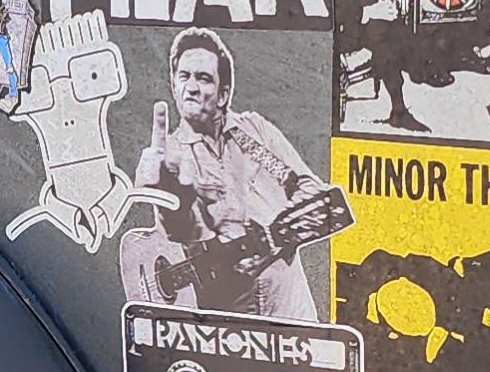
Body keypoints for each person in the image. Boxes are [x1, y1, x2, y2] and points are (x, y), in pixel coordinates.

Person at [122, 28, 338, 317]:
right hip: (224, 327)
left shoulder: (253, 132)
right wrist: (167, 197)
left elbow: (309, 189)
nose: (191, 87)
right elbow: (178, 233)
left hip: (288, 313)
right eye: (184, 76)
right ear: (173, 85)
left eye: (203, 78)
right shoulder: (171, 155)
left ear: (223, 95)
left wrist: (276, 237)